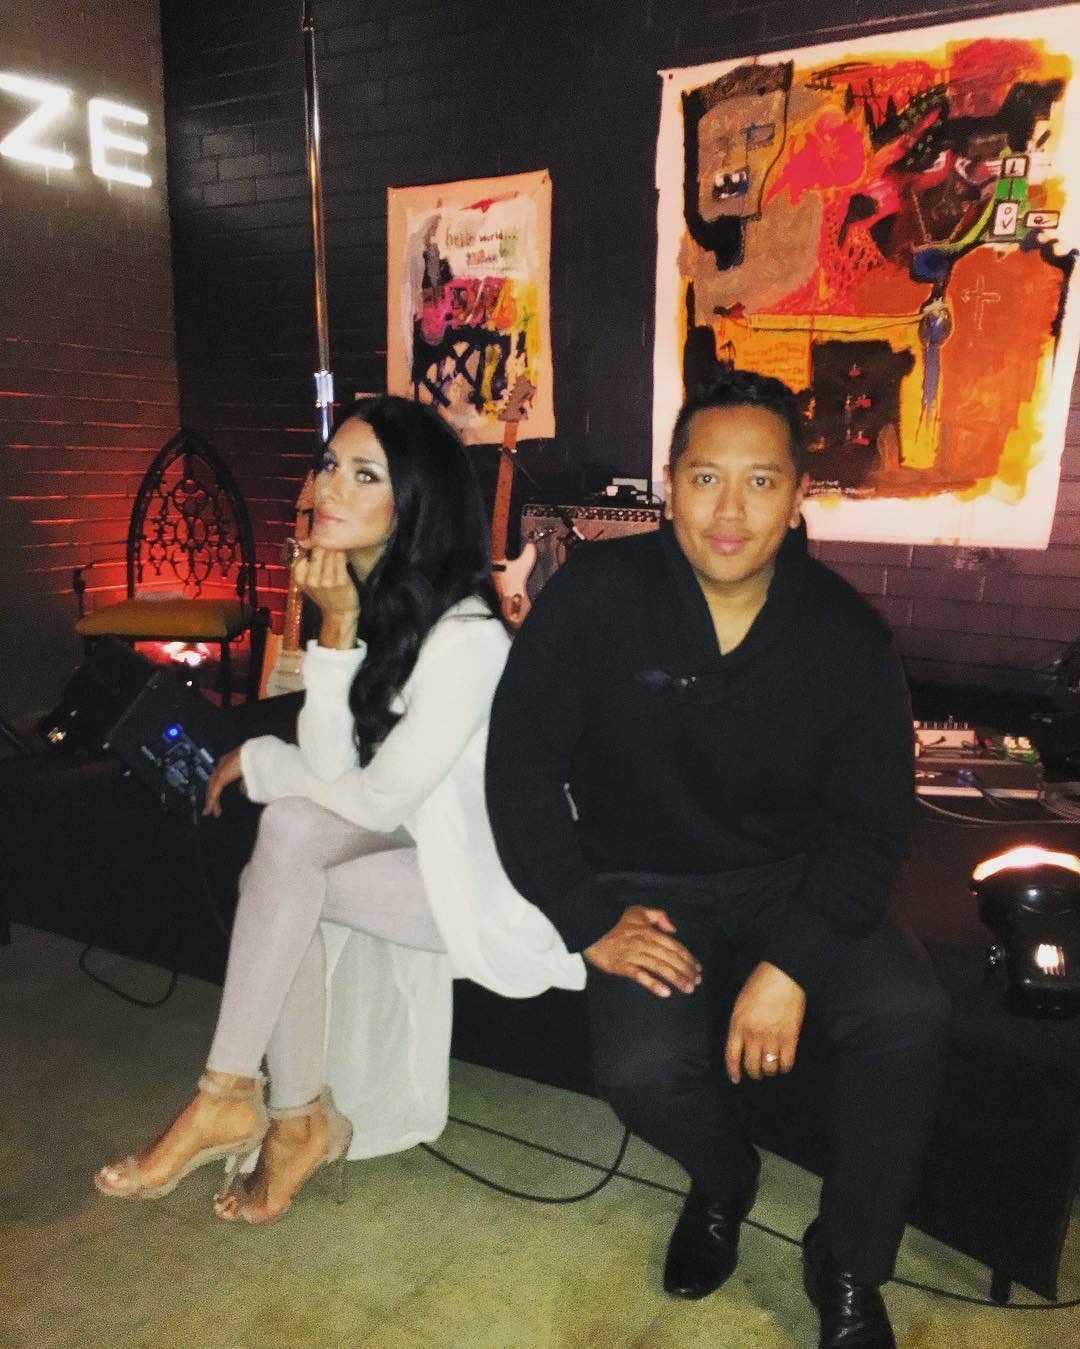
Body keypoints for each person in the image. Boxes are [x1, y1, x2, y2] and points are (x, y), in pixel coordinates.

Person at [485, 370, 948, 1349]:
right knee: (641, 1068)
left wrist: (794, 963)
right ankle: (725, 1179)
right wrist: (586, 916)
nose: (730, 510)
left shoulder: (846, 634)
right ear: (669, 485)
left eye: (760, 481)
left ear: (798, 495)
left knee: (908, 1013)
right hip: (648, 885)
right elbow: (517, 766)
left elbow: (874, 821)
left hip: (799, 876)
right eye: (705, 478)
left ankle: (849, 1261)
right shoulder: (594, 600)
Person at [95, 394, 584, 1223]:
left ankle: (260, 1106)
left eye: (365, 475)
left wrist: (262, 758)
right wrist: (337, 630)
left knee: (285, 865)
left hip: (498, 876)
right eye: (330, 465)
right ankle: (274, 1111)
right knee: (287, 838)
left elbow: (376, 793)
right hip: (416, 841)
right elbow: (336, 770)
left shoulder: (468, 638)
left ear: (414, 503)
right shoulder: (377, 602)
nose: (330, 488)